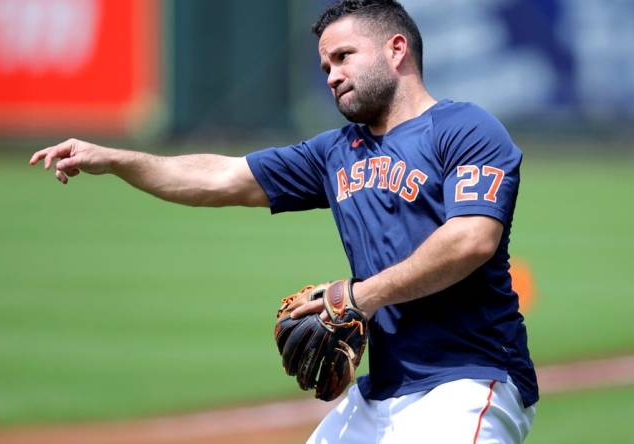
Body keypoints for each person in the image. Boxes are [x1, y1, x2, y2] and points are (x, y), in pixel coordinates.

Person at [29, 0, 538, 442]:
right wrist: (119, 160)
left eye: (343, 57)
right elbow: (219, 178)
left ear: (396, 50)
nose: (332, 75)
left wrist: (361, 296)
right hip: (383, 388)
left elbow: (472, 238)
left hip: (469, 380)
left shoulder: (464, 128)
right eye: (324, 67)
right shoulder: (338, 152)